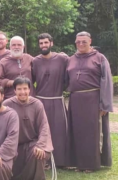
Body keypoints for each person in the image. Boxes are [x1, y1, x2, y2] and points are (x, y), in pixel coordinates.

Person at [67, 31, 113, 172]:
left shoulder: (99, 58)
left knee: (92, 133)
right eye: (78, 41)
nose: (81, 44)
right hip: (75, 99)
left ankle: (91, 164)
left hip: (93, 99)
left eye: (84, 41)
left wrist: (104, 104)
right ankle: (79, 163)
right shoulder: (71, 59)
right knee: (77, 132)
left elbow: (107, 81)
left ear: (90, 41)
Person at [3, 77, 54, 180]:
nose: (22, 92)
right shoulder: (7, 104)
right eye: (19, 89)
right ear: (14, 91)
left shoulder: (37, 104)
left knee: (39, 153)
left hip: (33, 143)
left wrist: (40, 145)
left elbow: (44, 126)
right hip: (14, 144)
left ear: (30, 89)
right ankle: (17, 179)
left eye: (25, 89)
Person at [32, 33, 70, 168]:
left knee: (60, 130)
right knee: (42, 131)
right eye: (41, 43)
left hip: (57, 99)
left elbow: (70, 74)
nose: (43, 45)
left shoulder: (62, 59)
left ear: (51, 43)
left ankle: (61, 161)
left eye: (46, 43)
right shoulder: (35, 61)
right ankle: (45, 160)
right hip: (41, 100)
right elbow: (31, 81)